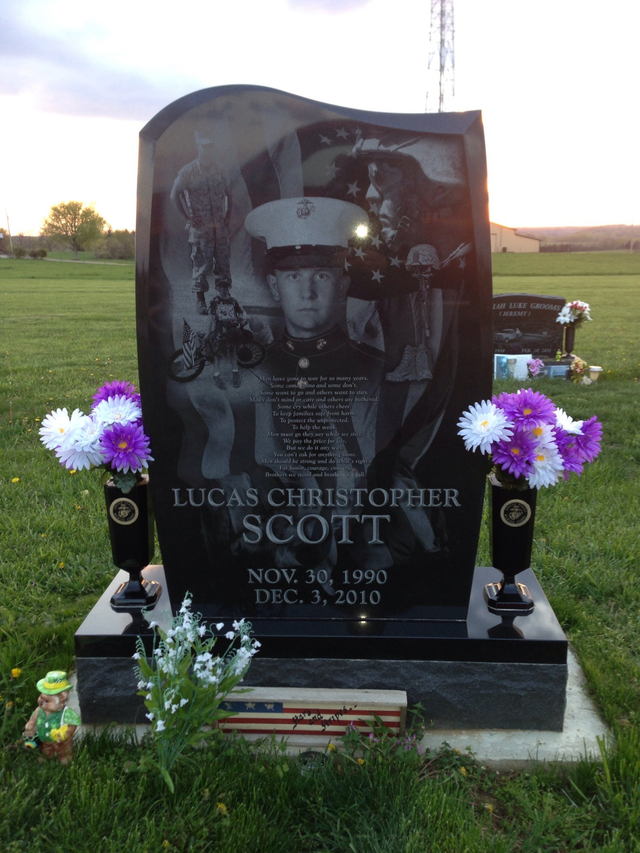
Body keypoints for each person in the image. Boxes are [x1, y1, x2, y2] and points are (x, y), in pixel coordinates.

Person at [170, 131, 232, 315]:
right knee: (201, 264)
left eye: (210, 146)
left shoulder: (220, 170)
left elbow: (229, 194)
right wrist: (187, 217)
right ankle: (200, 299)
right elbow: (174, 195)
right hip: (201, 228)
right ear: (198, 147)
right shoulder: (188, 171)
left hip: (219, 227)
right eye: (204, 146)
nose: (208, 149)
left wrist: (228, 216)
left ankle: (224, 296)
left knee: (223, 262)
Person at [23, 671, 80, 764]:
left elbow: (72, 724)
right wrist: (31, 723)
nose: (41, 702)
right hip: (45, 738)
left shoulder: (66, 713)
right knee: (46, 748)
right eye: (41, 697)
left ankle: (65, 758)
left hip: (61, 740)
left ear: (62, 699)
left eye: (47, 701)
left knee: (64, 751)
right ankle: (47, 756)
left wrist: (67, 733)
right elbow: (33, 719)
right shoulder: (39, 710)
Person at [205, 280, 249, 389]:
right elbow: (210, 318)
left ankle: (235, 373)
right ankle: (216, 375)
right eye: (220, 287)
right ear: (216, 288)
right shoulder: (214, 301)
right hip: (219, 331)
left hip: (232, 330)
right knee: (217, 353)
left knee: (233, 351)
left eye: (225, 287)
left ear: (229, 287)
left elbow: (239, 314)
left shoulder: (233, 301)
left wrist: (242, 320)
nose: (223, 289)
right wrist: (208, 332)